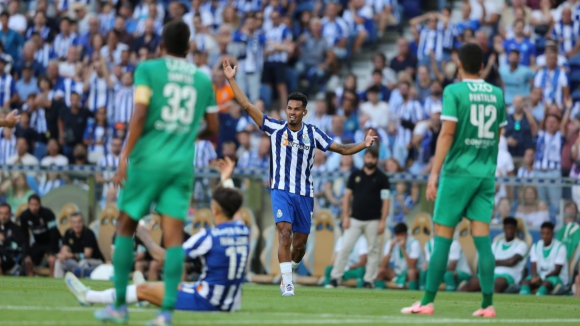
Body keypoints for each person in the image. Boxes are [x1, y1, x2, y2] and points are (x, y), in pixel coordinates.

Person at [95, 20, 219, 326]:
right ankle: (165, 314)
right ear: (189, 48)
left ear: (160, 45)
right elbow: (213, 129)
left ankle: (120, 308)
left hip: (147, 160)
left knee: (125, 226)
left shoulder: (148, 69)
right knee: (174, 237)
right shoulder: (203, 80)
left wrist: (124, 154)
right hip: (180, 165)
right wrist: (185, 132)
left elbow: (139, 114)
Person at [223, 57, 377, 297]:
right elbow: (246, 105)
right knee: (284, 232)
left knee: (300, 245)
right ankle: (288, 284)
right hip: (280, 190)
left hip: (305, 194)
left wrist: (364, 144)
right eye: (289, 108)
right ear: (286, 109)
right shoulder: (274, 128)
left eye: (297, 109)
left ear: (304, 112)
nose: (292, 113)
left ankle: (290, 270)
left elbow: (343, 149)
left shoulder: (313, 133)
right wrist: (231, 79)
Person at [401, 43, 507, 317]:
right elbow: (498, 134)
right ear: (482, 66)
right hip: (485, 174)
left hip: (457, 172)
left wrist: (433, 174)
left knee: (443, 239)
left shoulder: (454, 91)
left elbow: (446, 133)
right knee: (483, 240)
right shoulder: (496, 93)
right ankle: (487, 305)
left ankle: (426, 301)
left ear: (459, 65)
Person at [65, 157, 249, 313]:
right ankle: (145, 299)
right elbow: (236, 208)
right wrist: (227, 180)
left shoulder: (209, 237)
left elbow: (166, 258)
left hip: (206, 301)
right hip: (230, 301)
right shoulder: (242, 229)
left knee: (144, 288)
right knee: (160, 289)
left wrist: (145, 238)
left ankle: (89, 296)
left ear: (215, 210)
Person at [326, 148, 390, 289]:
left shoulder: (382, 178)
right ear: (364, 158)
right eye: (368, 157)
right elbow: (347, 196)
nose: (370, 160)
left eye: (373, 158)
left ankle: (369, 281)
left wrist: (383, 221)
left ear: (377, 159)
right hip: (354, 218)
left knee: (373, 251)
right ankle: (335, 278)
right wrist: (345, 216)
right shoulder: (355, 175)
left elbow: (386, 201)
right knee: (345, 248)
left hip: (373, 220)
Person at [459, 217, 528, 293]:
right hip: (491, 273)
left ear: (515, 230)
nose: (509, 231)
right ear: (504, 229)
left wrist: (494, 262)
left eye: (512, 228)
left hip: (509, 275)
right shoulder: (496, 244)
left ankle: (489, 303)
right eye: (507, 228)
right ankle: (455, 302)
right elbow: (487, 259)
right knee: (472, 283)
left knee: (498, 283)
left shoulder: (521, 245)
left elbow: (511, 262)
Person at [520, 222, 568, 296]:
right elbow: (533, 266)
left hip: (557, 278)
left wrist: (541, 278)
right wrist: (534, 277)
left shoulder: (560, 247)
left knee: (546, 284)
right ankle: (522, 304)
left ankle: (539, 303)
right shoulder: (535, 246)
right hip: (539, 276)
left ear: (552, 234)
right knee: (525, 282)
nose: (545, 236)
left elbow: (557, 271)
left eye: (548, 233)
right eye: (543, 233)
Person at [19, 194, 61, 277]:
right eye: (32, 205)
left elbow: (54, 233)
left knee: (52, 260)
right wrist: (26, 253)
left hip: (50, 242)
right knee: (28, 261)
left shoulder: (48, 214)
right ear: (28, 205)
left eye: (36, 205)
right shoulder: (24, 216)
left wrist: (52, 251)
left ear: (40, 204)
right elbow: (24, 235)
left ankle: (52, 278)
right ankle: (31, 278)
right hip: (38, 243)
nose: (34, 207)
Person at [54, 212, 104, 278]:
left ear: (83, 222)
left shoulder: (88, 233)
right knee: (59, 262)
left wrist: (70, 255)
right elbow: (65, 249)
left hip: (94, 261)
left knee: (83, 263)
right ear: (70, 223)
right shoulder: (68, 233)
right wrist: (62, 256)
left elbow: (87, 255)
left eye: (79, 222)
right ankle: (58, 285)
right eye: (74, 222)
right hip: (76, 261)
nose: (77, 225)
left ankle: (79, 285)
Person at [376, 223, 423, 290]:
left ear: (406, 234)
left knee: (411, 272)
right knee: (380, 271)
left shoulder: (414, 243)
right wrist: (390, 249)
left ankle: (413, 296)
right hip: (397, 271)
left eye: (402, 235)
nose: (399, 238)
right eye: (397, 235)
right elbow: (383, 265)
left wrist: (402, 247)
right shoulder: (391, 242)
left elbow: (412, 266)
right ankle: (379, 297)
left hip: (410, 272)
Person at [0, 203, 25, 275]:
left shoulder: (16, 229)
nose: (3, 216)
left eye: (6, 214)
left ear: (10, 214)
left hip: (10, 257)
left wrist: (4, 239)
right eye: (1, 213)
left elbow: (19, 246)